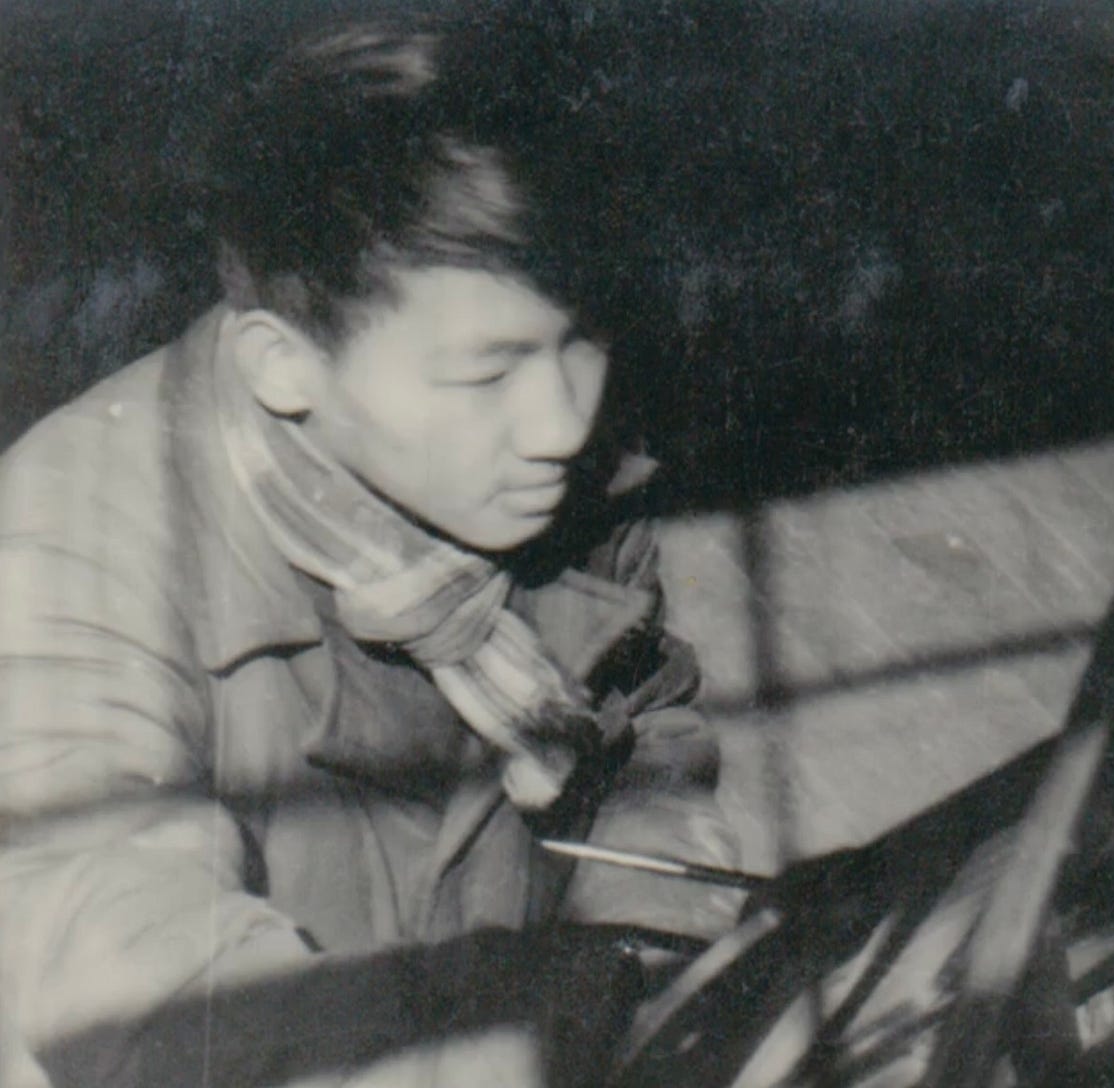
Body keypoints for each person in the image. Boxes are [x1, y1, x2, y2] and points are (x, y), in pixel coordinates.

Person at [0, 22, 737, 1088]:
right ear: (282, 366)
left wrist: (635, 968)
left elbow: (645, 744)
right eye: (486, 375)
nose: (563, 423)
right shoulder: (63, 555)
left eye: (580, 336)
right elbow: (123, 955)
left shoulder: (538, 475)